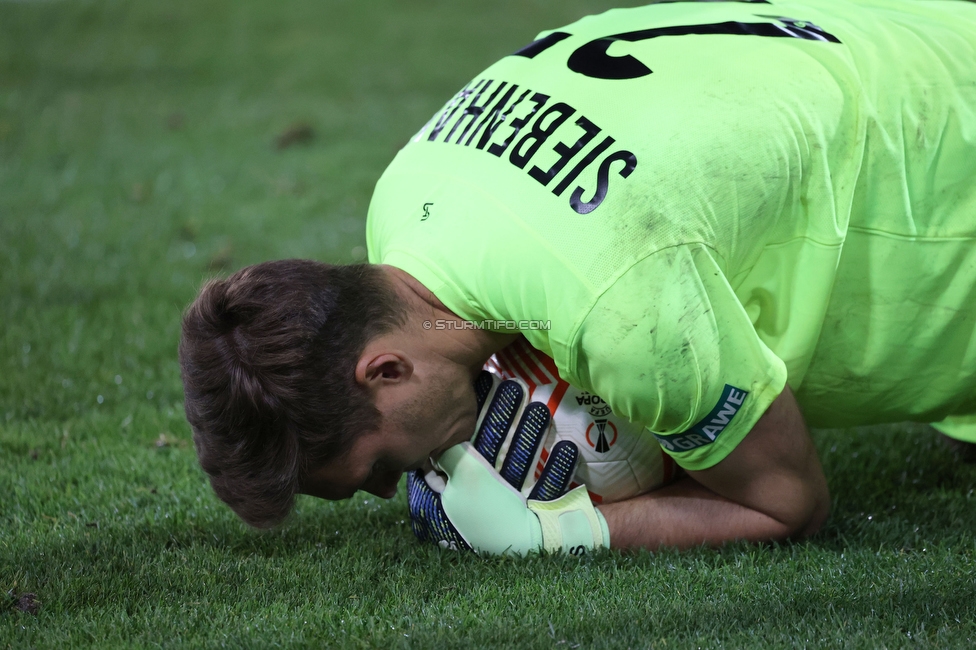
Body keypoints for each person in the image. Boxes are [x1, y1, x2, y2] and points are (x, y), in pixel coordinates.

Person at [179, 0, 976, 553]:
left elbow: (787, 504)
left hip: (948, 132)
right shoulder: (403, 200)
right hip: (900, 38)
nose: (395, 493)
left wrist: (570, 532)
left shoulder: (620, 312)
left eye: (378, 469)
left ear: (386, 369)